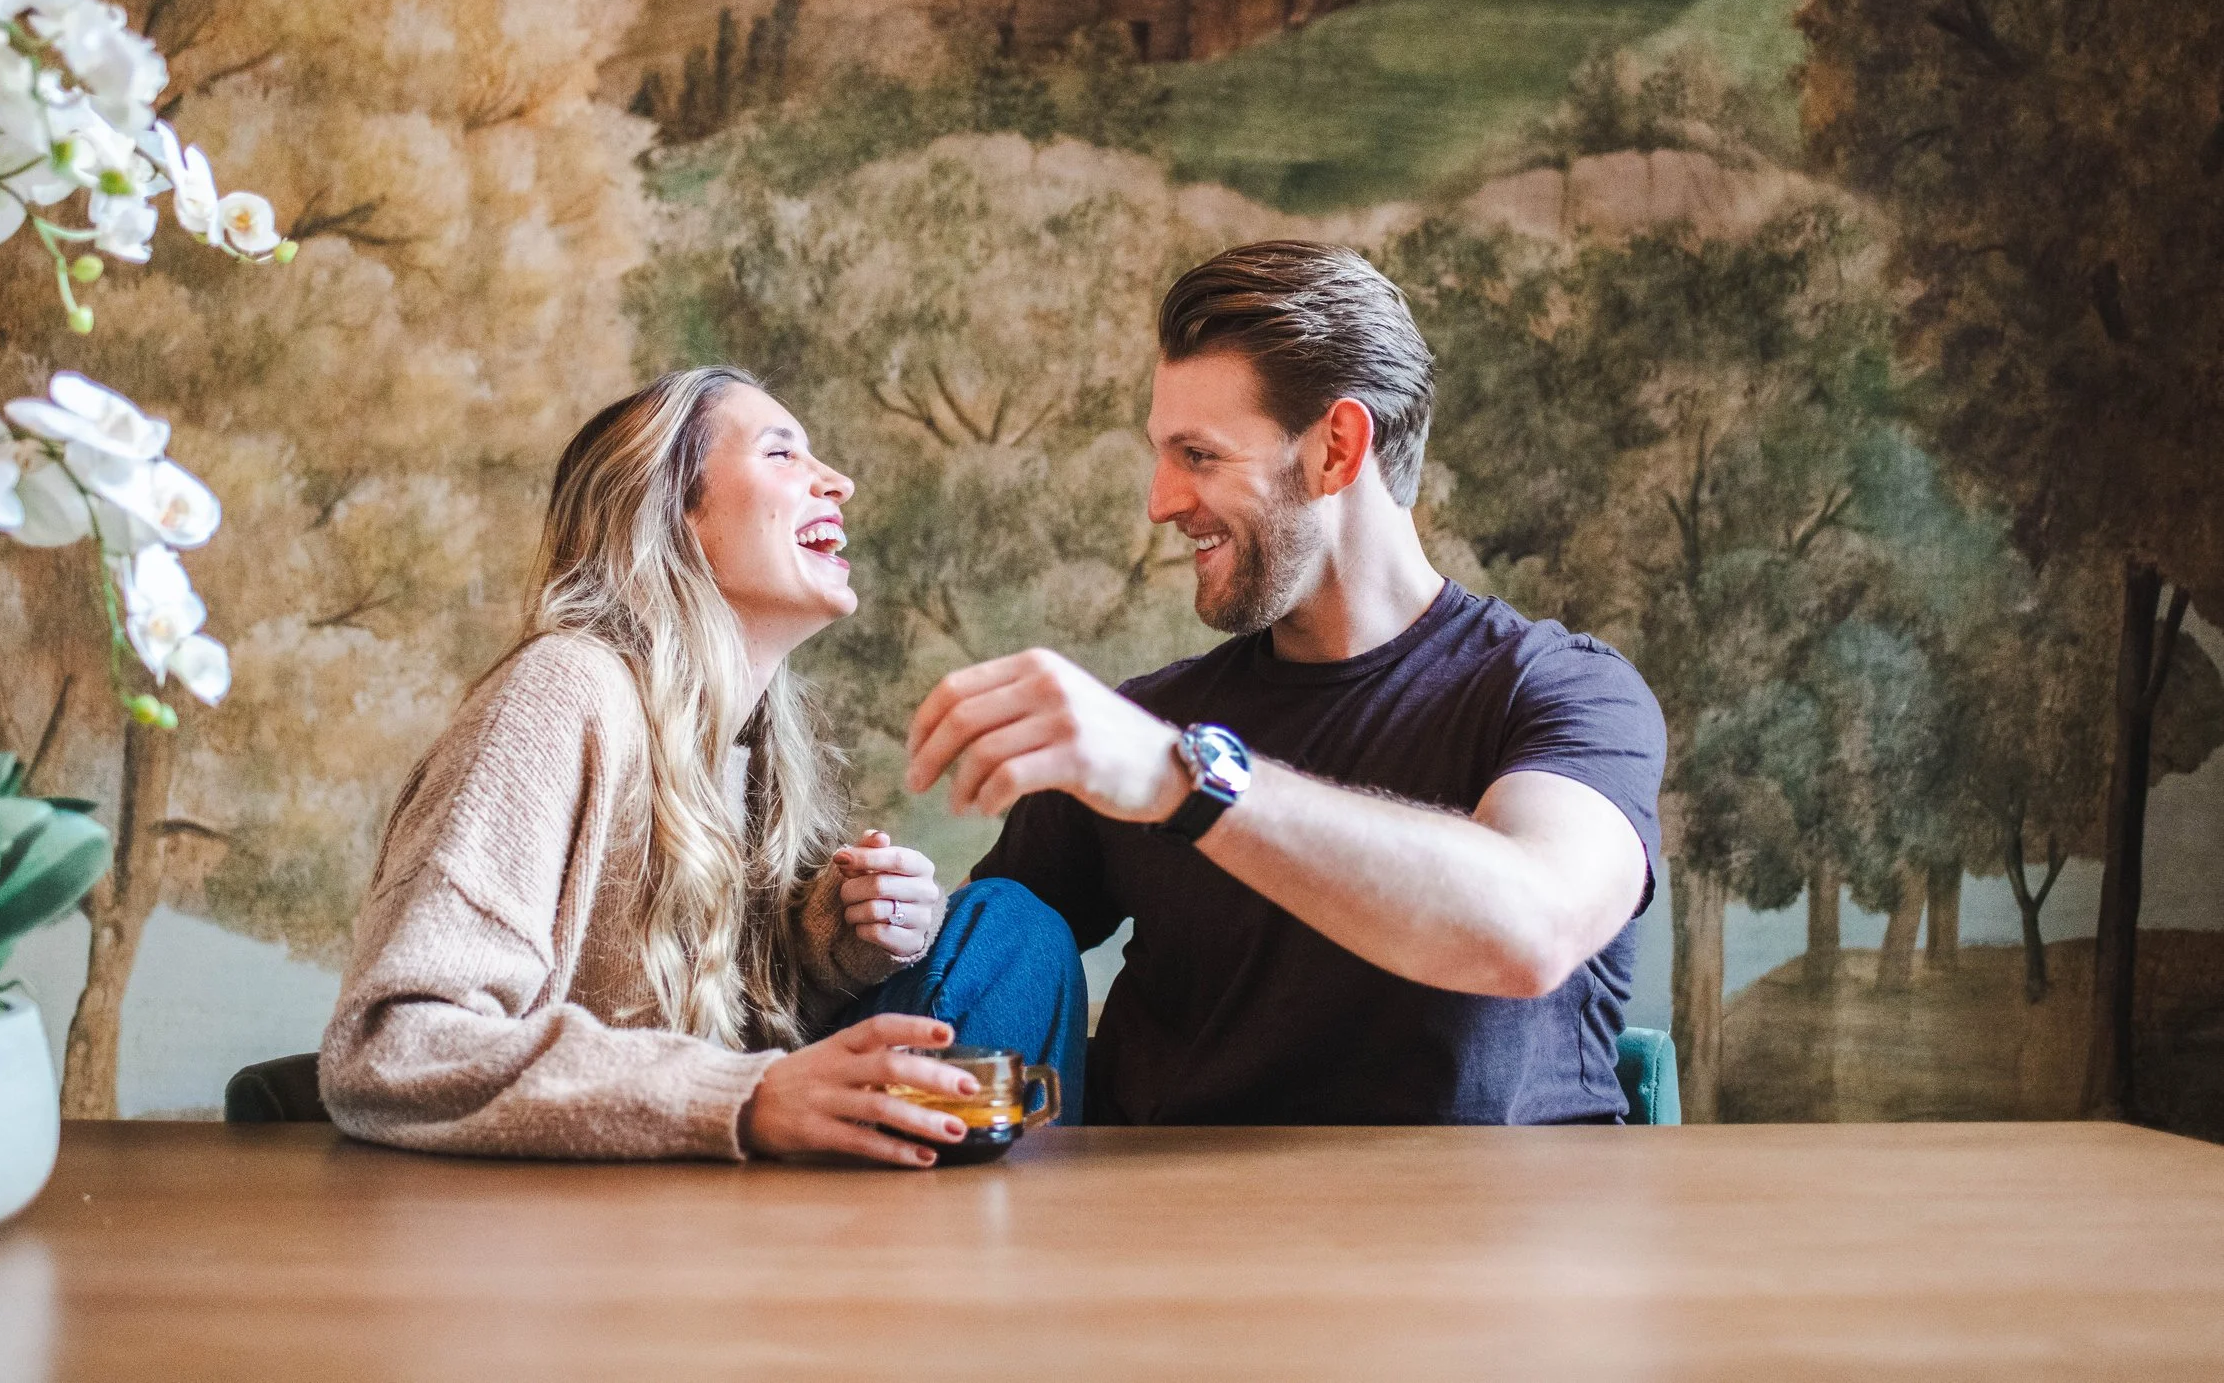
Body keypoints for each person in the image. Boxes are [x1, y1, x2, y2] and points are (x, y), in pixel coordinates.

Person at [907, 241, 1665, 1126]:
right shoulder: (1148, 724)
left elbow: (1531, 930)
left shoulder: (1565, 692)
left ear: (1337, 448)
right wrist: (875, 925)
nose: (1160, 501)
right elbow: (982, 964)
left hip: (1480, 1218)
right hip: (1167, 1216)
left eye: (1199, 454)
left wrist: (1183, 779)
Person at [322, 367, 1086, 1166]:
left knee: (1013, 933)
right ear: (671, 515)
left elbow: (707, 1023)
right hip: (585, 1215)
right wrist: (743, 1097)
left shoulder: (754, 745)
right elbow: (391, 1044)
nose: (839, 481)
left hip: (712, 1193)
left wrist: (838, 940)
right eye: (781, 453)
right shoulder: (562, 688)